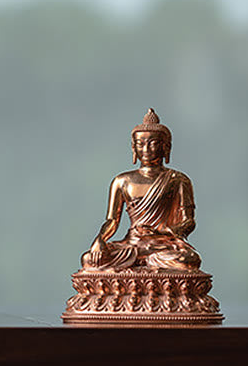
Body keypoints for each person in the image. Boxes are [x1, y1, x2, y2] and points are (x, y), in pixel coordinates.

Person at [80, 109, 202, 272]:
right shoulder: (122, 181)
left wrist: (168, 231)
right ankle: (149, 265)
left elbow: (189, 221)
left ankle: (150, 262)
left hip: (161, 246)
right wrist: (100, 240)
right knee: (89, 260)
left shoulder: (178, 180)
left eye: (153, 143)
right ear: (133, 148)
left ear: (165, 147)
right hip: (132, 246)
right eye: (140, 143)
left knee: (189, 260)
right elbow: (112, 221)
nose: (146, 149)